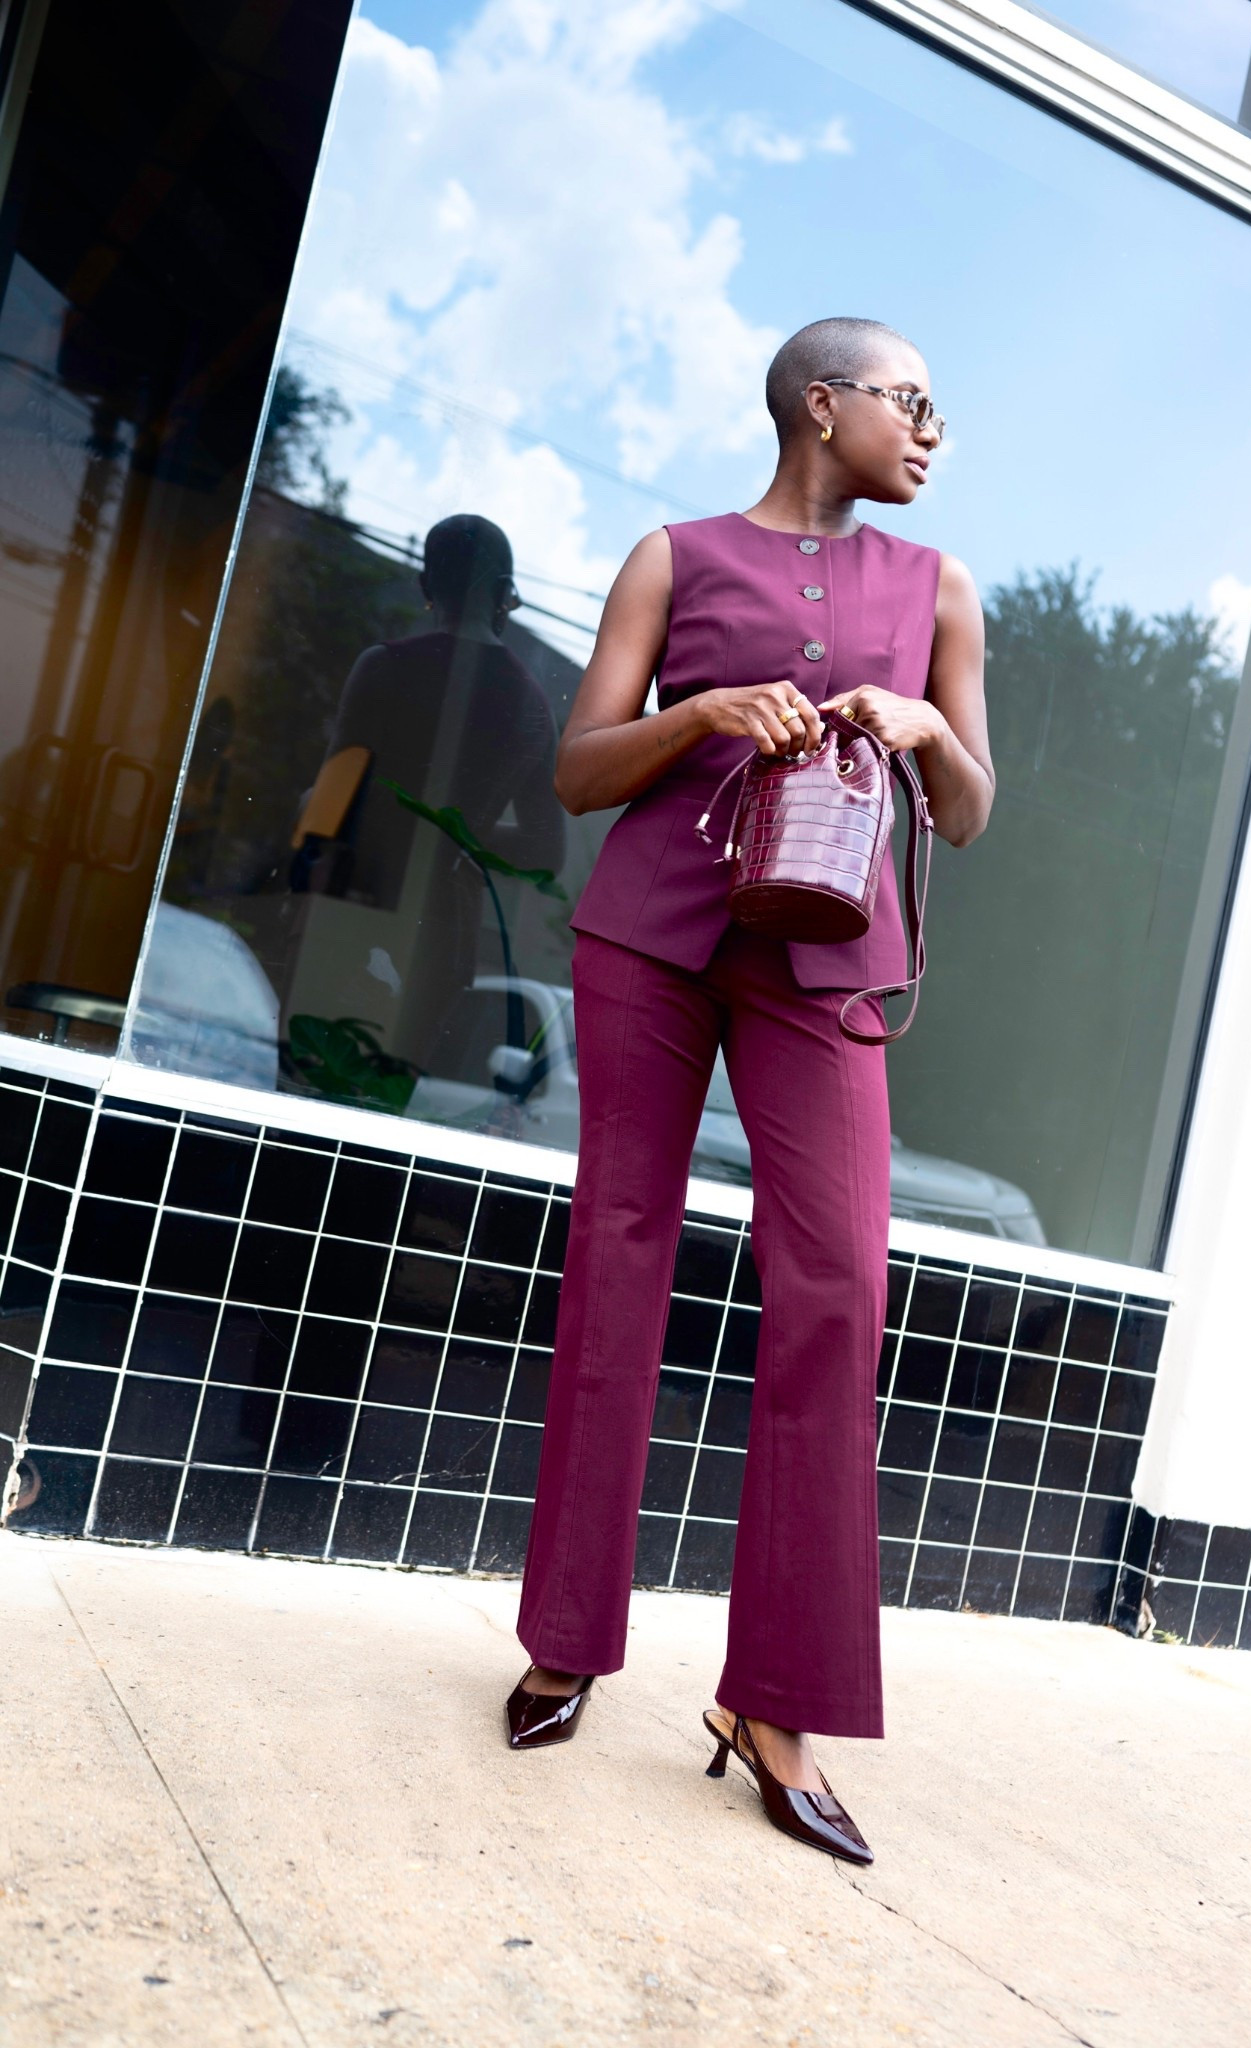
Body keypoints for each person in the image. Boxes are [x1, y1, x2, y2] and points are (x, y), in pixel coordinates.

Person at [505, 318, 993, 1865]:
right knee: (619, 1254)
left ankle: (772, 1702)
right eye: (909, 402)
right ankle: (568, 1639)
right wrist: (704, 715)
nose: (929, 431)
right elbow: (579, 771)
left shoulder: (939, 593)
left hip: (830, 953)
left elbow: (971, 814)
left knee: (840, 1283)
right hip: (648, 936)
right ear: (819, 402)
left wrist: (919, 730)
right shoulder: (672, 556)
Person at [315, 514, 564, 1069]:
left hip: (352, 908)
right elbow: (548, 850)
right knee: (388, 1094)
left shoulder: (382, 668)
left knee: (316, 1074)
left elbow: (329, 804)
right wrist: (460, 833)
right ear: (504, 594)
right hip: (442, 933)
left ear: (428, 588)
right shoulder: (529, 703)